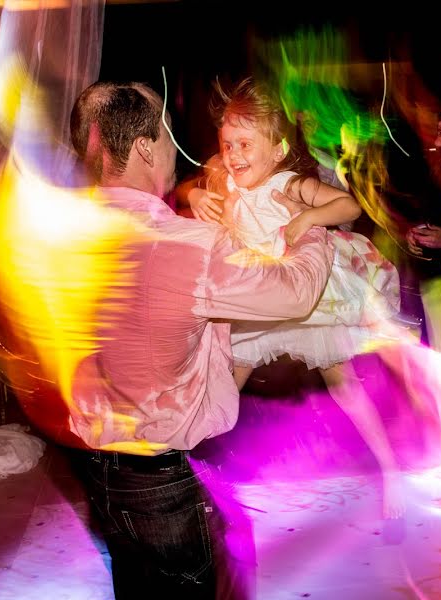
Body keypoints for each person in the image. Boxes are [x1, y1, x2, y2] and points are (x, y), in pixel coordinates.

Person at [59, 81, 335, 599]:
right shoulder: (185, 248)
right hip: (158, 476)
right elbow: (296, 294)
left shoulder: (65, 234)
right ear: (143, 147)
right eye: (165, 134)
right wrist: (307, 226)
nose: (173, 145)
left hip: (95, 465)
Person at [178, 77, 405, 519]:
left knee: (343, 382)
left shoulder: (288, 184)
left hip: (306, 290)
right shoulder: (223, 174)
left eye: (245, 144)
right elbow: (188, 185)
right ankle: (187, 467)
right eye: (228, 145)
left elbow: (348, 207)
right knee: (228, 377)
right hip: (257, 294)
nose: (234, 155)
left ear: (278, 150)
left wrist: (309, 219)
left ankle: (390, 470)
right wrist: (196, 193)